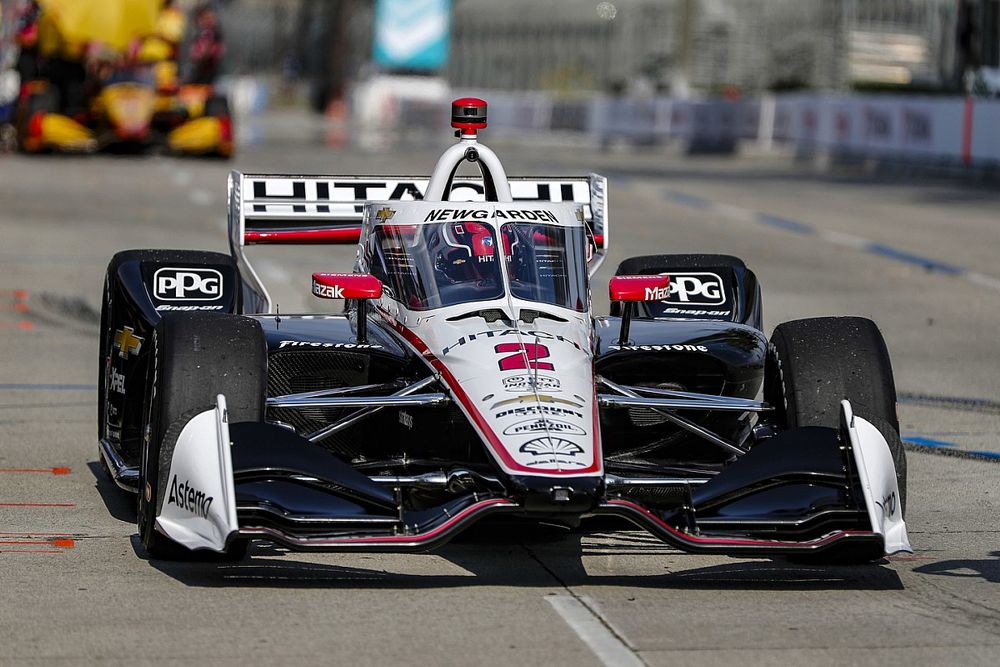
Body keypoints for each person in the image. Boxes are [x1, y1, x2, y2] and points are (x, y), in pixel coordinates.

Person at [187, 3, 223, 85]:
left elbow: (209, 53)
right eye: (206, 18)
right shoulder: (198, 33)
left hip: (208, 73)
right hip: (198, 72)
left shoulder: (213, 33)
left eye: (211, 18)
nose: (210, 20)